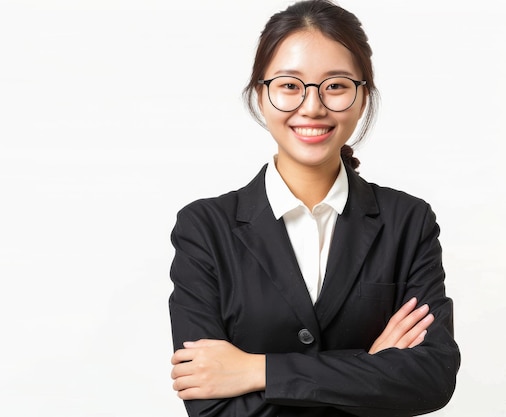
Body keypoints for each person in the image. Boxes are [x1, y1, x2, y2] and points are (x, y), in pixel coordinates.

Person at [168, 0, 461, 416]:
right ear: (260, 95)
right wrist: (370, 368)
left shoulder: (408, 222)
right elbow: (211, 405)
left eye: (336, 86)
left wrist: (258, 370)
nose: (312, 106)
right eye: (289, 85)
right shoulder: (204, 228)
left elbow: (431, 378)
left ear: (363, 98)